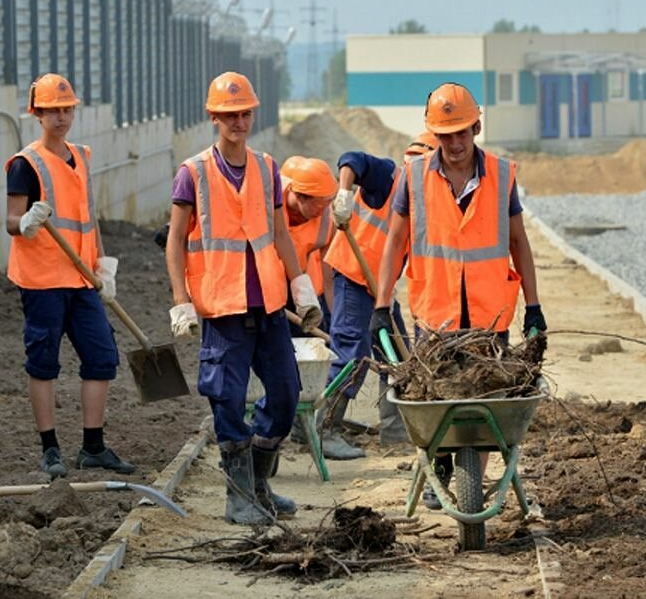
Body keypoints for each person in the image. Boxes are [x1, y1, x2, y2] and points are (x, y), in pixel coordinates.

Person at [369, 82, 547, 510]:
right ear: (432, 134)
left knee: (487, 400)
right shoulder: (413, 176)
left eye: (462, 133)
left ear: (477, 127)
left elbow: (519, 242)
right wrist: (380, 305)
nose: (453, 144)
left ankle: (473, 478)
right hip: (436, 314)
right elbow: (395, 242)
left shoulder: (502, 176)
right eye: (444, 135)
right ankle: (440, 468)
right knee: (435, 398)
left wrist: (535, 305)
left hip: (491, 315)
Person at [164, 72, 322, 524]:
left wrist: (300, 285)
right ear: (214, 117)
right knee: (227, 398)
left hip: (269, 304)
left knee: (287, 393)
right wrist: (181, 301)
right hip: (223, 306)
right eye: (229, 115)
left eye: (245, 113)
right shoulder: (192, 173)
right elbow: (176, 240)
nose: (238, 122)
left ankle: (257, 483)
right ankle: (238, 496)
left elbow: (280, 232)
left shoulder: (267, 167)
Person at [5, 73, 134, 480]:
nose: (60, 117)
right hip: (43, 280)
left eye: (66, 109)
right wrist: (24, 221)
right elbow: (10, 219)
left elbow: (86, 216)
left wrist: (101, 264)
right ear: (37, 113)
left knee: (102, 358)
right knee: (43, 363)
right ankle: (50, 450)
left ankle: (93, 447)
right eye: (52, 110)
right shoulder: (27, 164)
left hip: (82, 279)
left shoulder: (82, 156)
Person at [319, 132, 440, 458]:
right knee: (352, 353)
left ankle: (396, 432)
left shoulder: (425, 203)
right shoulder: (388, 178)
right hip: (352, 277)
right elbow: (351, 158)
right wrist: (344, 194)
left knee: (398, 357)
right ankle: (325, 429)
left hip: (380, 290)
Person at [280, 157, 337, 335]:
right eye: (319, 205)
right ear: (299, 196)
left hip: (304, 290)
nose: (323, 211)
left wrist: (336, 322)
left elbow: (329, 280)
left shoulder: (326, 220)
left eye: (328, 203)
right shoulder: (269, 209)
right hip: (270, 292)